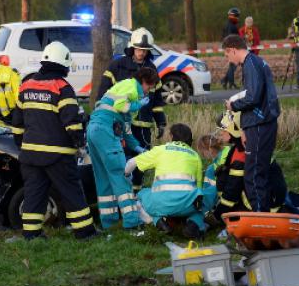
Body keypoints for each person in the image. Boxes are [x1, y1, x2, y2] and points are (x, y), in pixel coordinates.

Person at [9, 41, 96, 240]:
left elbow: (17, 123)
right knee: (71, 191)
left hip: (30, 155)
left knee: (34, 193)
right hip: (58, 155)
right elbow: (72, 123)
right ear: (63, 64)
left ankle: (31, 234)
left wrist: (22, 145)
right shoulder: (62, 88)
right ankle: (85, 232)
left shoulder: (26, 86)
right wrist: (80, 144)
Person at [87, 67, 160, 230]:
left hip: (94, 129)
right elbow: (121, 105)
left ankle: (109, 223)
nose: (148, 91)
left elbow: (126, 132)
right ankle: (132, 222)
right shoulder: (131, 86)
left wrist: (139, 148)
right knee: (122, 174)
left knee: (104, 178)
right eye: (150, 86)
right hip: (106, 129)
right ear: (144, 81)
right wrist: (137, 104)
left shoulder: (124, 90)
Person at [97, 28, 167, 193]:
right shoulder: (117, 66)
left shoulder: (152, 69)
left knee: (140, 161)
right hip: (119, 123)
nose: (141, 53)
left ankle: (136, 193)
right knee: (120, 158)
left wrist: (161, 122)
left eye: (145, 50)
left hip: (142, 125)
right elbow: (103, 93)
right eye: (138, 49)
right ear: (131, 47)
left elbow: (156, 100)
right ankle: (121, 192)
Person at [125, 123, 217, 239]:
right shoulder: (195, 156)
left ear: (171, 136)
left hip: (160, 204)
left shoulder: (161, 150)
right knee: (204, 199)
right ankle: (193, 224)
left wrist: (126, 174)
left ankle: (158, 222)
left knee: (141, 195)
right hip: (186, 206)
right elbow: (198, 190)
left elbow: (131, 163)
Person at [223, 34, 281, 212]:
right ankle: (263, 214)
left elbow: (253, 97)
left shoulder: (251, 64)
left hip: (260, 124)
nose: (228, 59)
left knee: (253, 174)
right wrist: (244, 128)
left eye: (227, 55)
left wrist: (233, 105)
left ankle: (260, 217)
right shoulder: (256, 62)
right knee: (258, 171)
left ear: (232, 49)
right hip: (259, 124)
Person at [203, 111, 287, 227]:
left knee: (226, 181)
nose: (221, 133)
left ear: (235, 129)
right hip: (270, 200)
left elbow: (232, 192)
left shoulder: (242, 154)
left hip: (263, 208)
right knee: (223, 173)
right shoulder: (241, 147)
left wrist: (217, 215)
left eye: (224, 129)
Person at [221, 8, 241, 89]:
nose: (238, 18)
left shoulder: (229, 24)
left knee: (232, 66)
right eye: (237, 16)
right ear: (233, 16)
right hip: (231, 47)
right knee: (233, 65)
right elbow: (230, 38)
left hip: (229, 47)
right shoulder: (231, 26)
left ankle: (225, 81)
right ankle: (231, 83)